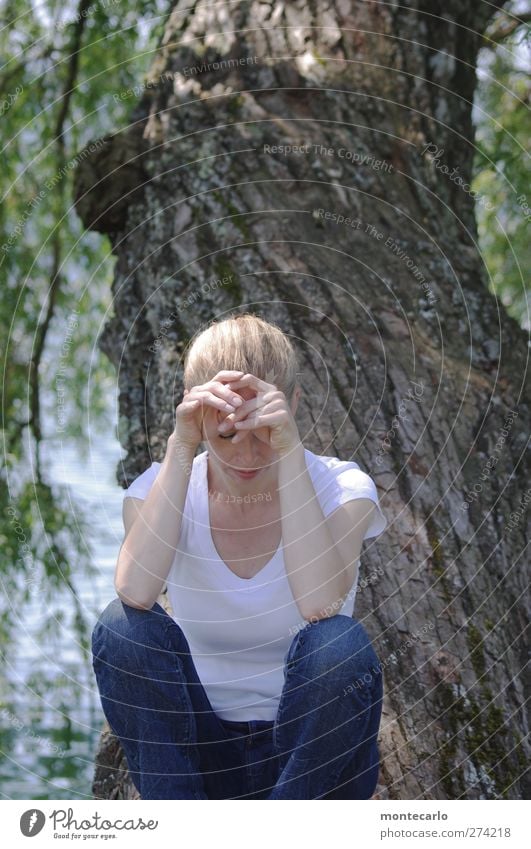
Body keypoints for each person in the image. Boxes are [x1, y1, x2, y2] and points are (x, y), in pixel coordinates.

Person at [91, 312, 388, 800]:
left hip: (310, 758)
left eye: (263, 432)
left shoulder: (343, 489)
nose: (246, 457)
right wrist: (182, 445)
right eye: (226, 434)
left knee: (338, 644)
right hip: (202, 756)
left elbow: (318, 605)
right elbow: (135, 592)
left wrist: (289, 454)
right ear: (195, 413)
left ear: (291, 406)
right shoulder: (158, 490)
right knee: (121, 629)